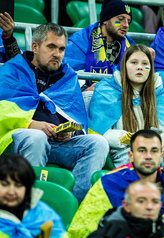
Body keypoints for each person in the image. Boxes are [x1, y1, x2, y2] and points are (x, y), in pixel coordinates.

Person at [0, 23, 109, 203]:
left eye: (61, 49)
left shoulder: (68, 77)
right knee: (36, 137)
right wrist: (29, 123)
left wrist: (70, 132)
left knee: (98, 143)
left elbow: (76, 116)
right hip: (17, 139)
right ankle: (29, 206)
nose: (57, 54)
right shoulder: (13, 70)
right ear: (35, 47)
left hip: (57, 144)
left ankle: (74, 206)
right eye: (51, 47)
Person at [87, 44, 164, 215]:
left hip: (160, 152)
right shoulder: (107, 90)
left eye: (145, 63)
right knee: (140, 159)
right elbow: (97, 133)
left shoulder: (161, 91)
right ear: (124, 65)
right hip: (125, 151)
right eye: (134, 62)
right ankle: (137, 216)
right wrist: (127, 138)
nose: (140, 67)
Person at [67, 130, 164, 238]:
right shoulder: (109, 183)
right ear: (131, 155)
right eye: (142, 150)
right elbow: (85, 232)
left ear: (161, 156)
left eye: (154, 151)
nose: (148, 156)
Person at [0, 154, 76, 238]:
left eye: (18, 185)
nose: (11, 192)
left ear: (27, 188)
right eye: (5, 184)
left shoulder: (44, 214)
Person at [83, 180, 164, 238]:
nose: (149, 207)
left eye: (155, 202)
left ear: (160, 206)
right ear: (126, 206)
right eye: (141, 201)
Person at [63, 0, 135, 91]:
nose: (126, 25)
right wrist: (84, 90)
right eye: (120, 20)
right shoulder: (80, 40)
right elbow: (61, 75)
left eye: (128, 21)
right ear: (105, 20)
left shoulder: (131, 46)